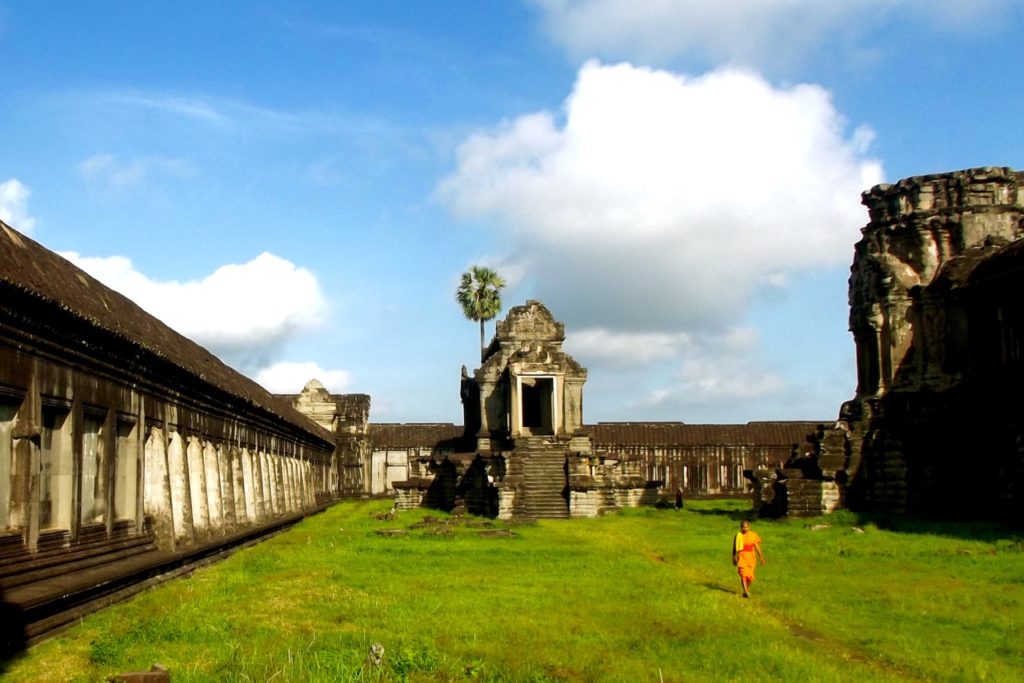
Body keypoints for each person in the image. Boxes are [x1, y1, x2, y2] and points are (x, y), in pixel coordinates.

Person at [732, 519, 765, 598]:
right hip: (742, 556)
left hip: (751, 557)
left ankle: (745, 590)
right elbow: (734, 547)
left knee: (750, 577)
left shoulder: (753, 535)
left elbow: (757, 546)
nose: (745, 529)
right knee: (743, 574)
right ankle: (746, 592)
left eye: (746, 527)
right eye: (743, 527)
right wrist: (733, 557)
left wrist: (761, 557)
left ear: (749, 527)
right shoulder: (738, 536)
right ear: (741, 528)